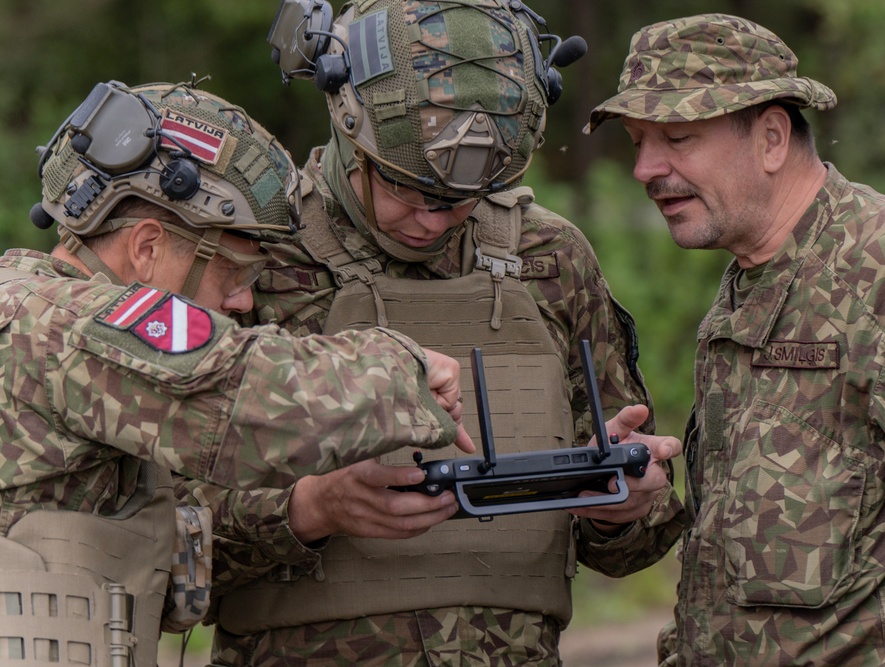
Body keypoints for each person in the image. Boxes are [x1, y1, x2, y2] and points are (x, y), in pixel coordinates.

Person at [174, 1, 686, 664]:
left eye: (461, 198)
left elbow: (639, 538)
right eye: (407, 187)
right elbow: (165, 547)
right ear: (348, 131)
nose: (433, 219)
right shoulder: (252, 263)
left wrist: (624, 500)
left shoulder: (550, 258)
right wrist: (311, 509)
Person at [0, 79, 474, 666]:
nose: (244, 303)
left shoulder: (30, 316)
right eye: (235, 273)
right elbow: (250, 398)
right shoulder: (61, 324)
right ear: (148, 247)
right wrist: (404, 370)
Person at [584, 12, 885, 666]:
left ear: (772, 138)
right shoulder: (747, 289)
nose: (644, 167)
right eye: (638, 141)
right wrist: (631, 501)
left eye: (677, 137)